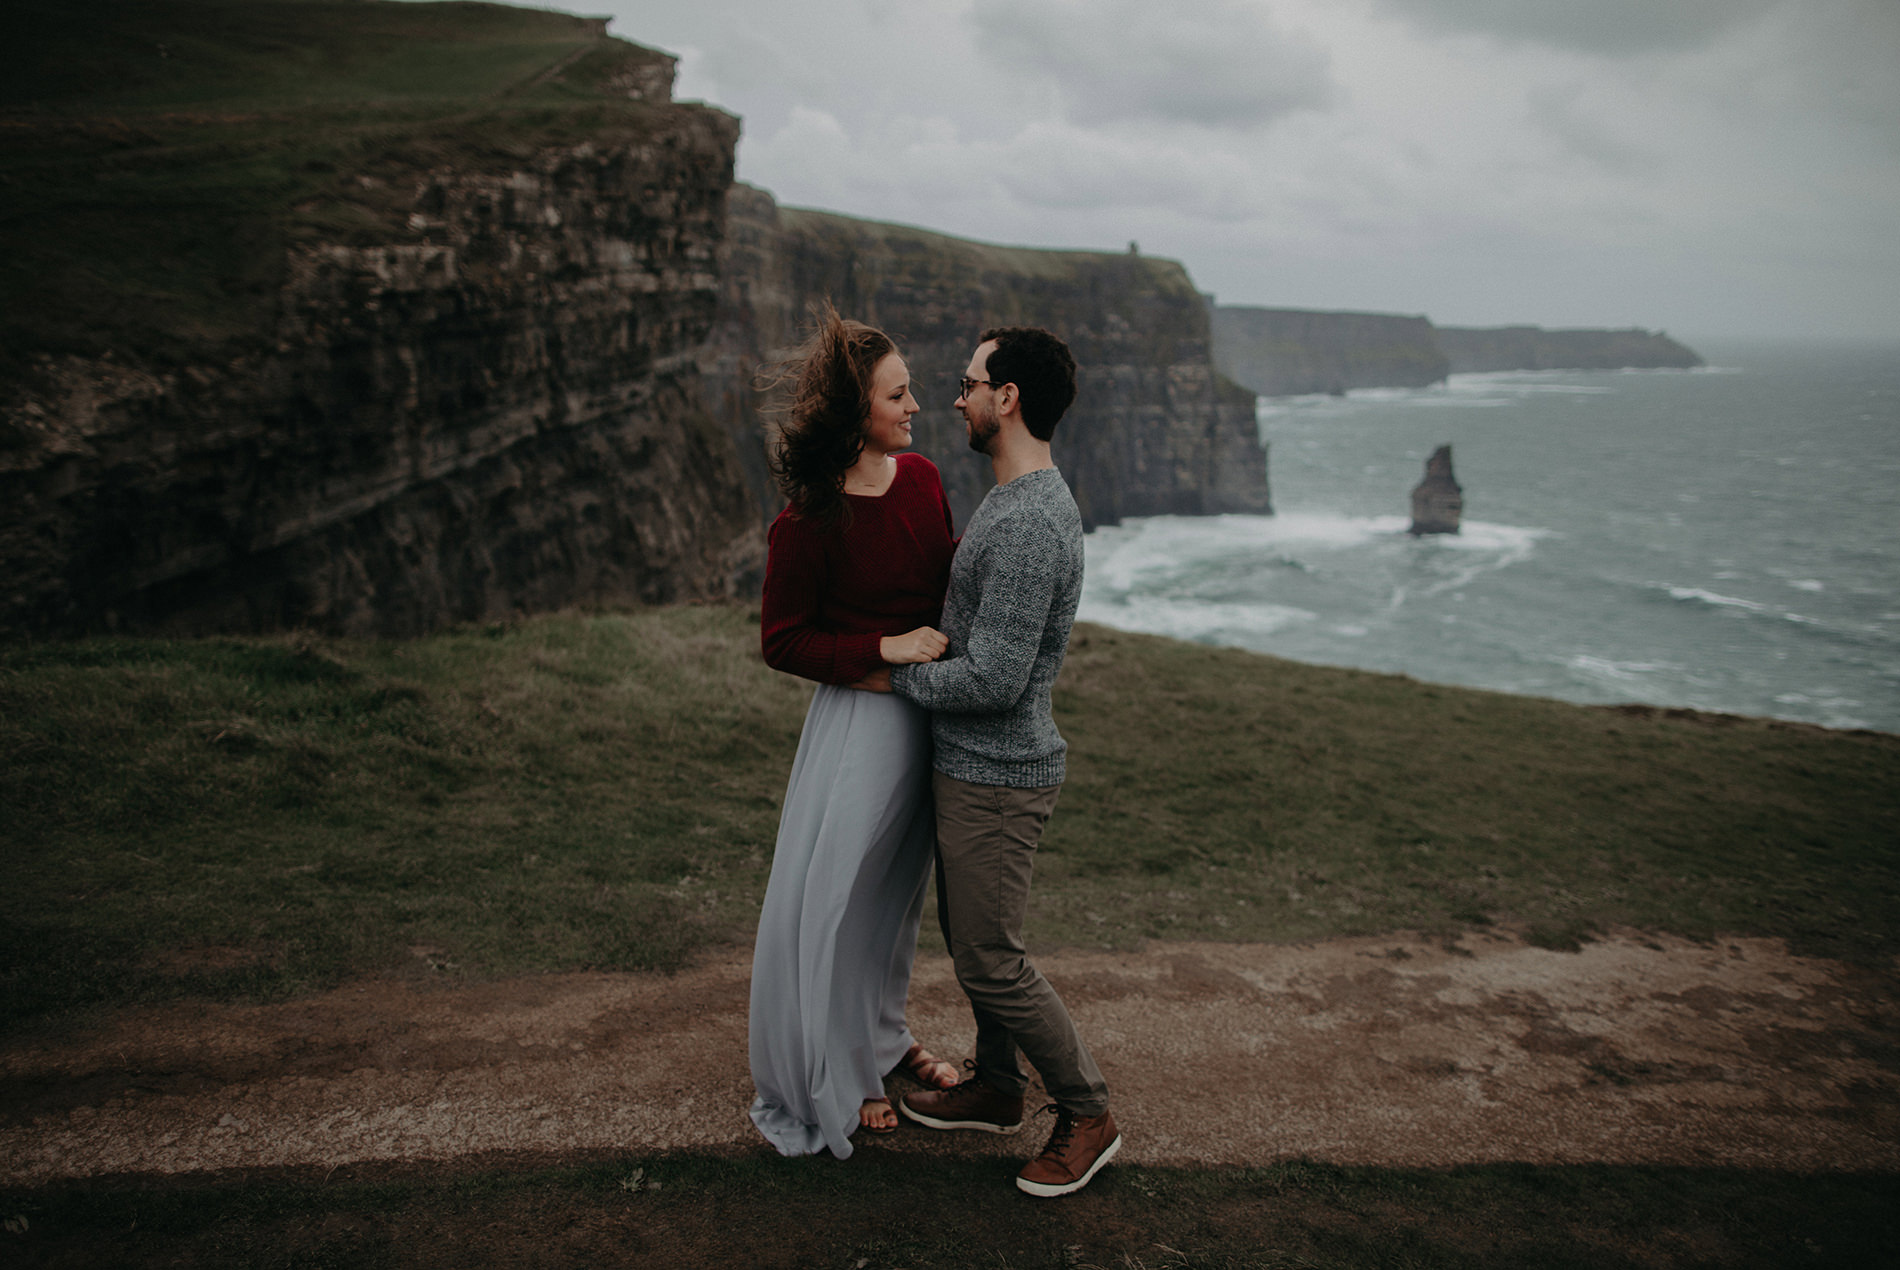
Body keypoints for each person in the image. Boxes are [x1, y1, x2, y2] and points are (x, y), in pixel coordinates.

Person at [877, 326, 1122, 1197]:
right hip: (976, 769)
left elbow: (994, 678)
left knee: (990, 958)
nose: (956, 396)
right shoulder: (1016, 500)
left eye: (969, 381)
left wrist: (893, 675)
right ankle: (995, 1086)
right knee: (974, 942)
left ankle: (1088, 1112)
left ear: (1007, 396)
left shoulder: (1028, 521)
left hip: (999, 774)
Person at [746, 310, 964, 1158]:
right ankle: (842, 1073)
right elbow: (782, 641)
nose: (916, 406)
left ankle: (883, 1038)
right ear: (855, 410)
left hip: (925, 719)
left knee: (894, 903)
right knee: (839, 900)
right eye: (898, 394)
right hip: (859, 728)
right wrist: (883, 653)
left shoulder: (923, 478)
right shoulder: (809, 521)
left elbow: (946, 587)